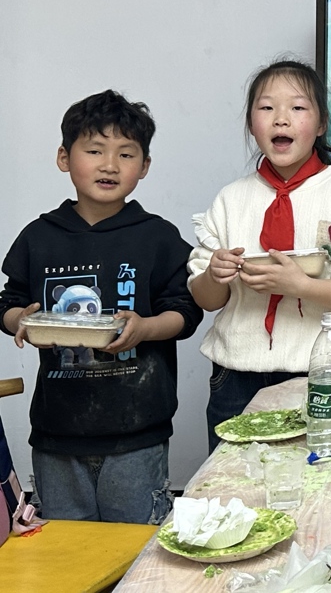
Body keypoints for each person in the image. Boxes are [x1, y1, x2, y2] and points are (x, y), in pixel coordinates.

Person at [0, 90, 202, 522]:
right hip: (56, 434)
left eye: (126, 154)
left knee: (135, 551)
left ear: (144, 166)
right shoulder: (39, 236)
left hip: (138, 433)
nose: (110, 165)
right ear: (64, 157)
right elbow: (9, 304)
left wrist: (144, 328)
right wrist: (23, 321)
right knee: (67, 551)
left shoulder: (156, 236)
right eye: (94, 150)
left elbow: (186, 312)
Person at [189, 60, 331, 452]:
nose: (281, 118)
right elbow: (206, 299)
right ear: (251, 124)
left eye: (297, 107)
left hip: (325, 375)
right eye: (267, 107)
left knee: (321, 481)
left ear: (321, 123)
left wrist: (302, 286)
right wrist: (214, 274)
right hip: (237, 377)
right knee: (236, 482)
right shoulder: (231, 199)